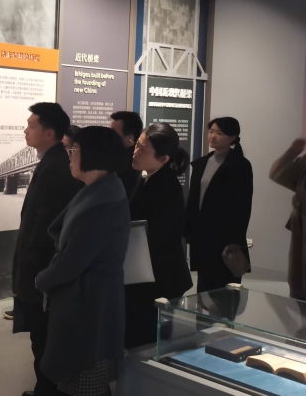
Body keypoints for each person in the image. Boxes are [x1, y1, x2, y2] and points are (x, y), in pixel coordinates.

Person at [36, 126, 130, 396]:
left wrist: (41, 279)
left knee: (83, 380)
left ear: (92, 154)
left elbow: (72, 262)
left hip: (89, 304)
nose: (70, 156)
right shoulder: (100, 189)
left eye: (74, 150)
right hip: (88, 299)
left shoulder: (103, 201)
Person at [13, 103, 82, 396]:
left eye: (31, 126)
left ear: (49, 132)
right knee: (41, 339)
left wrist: (34, 267)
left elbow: (45, 227)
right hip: (39, 271)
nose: (25, 130)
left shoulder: (55, 168)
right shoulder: (52, 162)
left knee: (43, 339)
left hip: (41, 273)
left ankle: (47, 391)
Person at [125, 123, 193, 348]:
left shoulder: (167, 187)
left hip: (158, 277)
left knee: (149, 342)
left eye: (142, 148)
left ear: (163, 158)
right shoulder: (146, 177)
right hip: (146, 273)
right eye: (137, 145)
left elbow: (157, 236)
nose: (135, 151)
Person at [186, 117, 253, 293]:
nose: (213, 136)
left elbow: (243, 206)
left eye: (219, 133)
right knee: (204, 286)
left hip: (225, 236)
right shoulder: (202, 163)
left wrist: (236, 239)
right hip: (202, 233)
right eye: (211, 131)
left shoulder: (241, 165)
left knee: (225, 287)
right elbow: (194, 199)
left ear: (232, 137)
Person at [269, 138, 306, 300]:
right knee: (299, 285)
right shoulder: (304, 163)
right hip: (301, 234)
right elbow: (277, 173)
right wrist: (292, 152)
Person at [110, 111, 143, 198]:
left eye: (113, 133)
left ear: (130, 139)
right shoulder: (118, 159)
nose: (108, 137)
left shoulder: (131, 164)